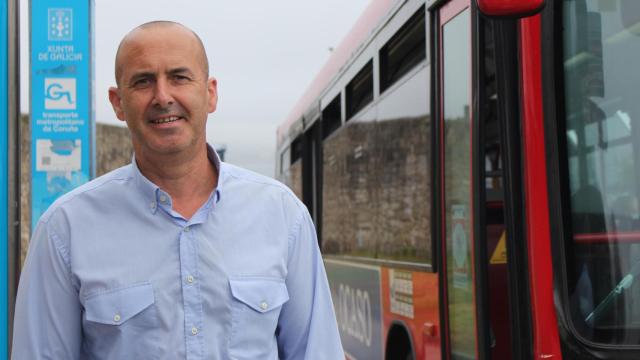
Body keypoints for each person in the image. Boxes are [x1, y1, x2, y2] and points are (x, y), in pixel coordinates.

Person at [12, 21, 344, 359]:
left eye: (179, 77)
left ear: (210, 93)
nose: (162, 96)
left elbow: (317, 352)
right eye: (143, 81)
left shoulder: (283, 216)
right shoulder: (65, 230)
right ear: (118, 102)